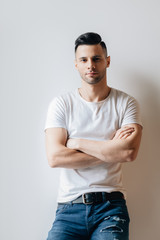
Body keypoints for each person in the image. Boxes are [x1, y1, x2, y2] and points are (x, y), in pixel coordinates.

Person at [45, 32, 142, 240]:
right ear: (76, 64)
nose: (91, 65)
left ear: (107, 61)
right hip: (68, 209)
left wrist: (75, 142)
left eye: (96, 58)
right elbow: (55, 158)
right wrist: (110, 150)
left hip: (111, 208)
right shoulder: (62, 104)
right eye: (84, 59)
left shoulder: (126, 103)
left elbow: (128, 152)